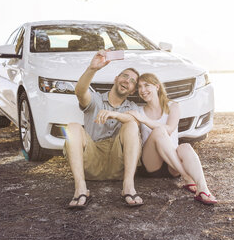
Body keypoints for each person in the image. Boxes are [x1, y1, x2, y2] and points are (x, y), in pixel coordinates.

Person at [64, 51, 143, 209]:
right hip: (92, 161)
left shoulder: (132, 107)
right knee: (71, 127)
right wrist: (92, 69)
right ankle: (80, 188)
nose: (127, 81)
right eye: (125, 76)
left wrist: (115, 114)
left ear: (133, 90)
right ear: (116, 79)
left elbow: (135, 122)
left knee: (132, 124)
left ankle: (128, 186)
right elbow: (80, 92)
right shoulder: (96, 99)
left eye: (132, 81)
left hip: (118, 163)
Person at [128, 73, 217, 205]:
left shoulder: (173, 106)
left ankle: (203, 189)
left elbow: (169, 128)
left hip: (172, 165)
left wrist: (144, 120)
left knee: (185, 146)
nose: (143, 90)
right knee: (158, 131)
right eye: (139, 87)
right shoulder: (139, 111)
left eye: (147, 85)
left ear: (157, 87)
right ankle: (187, 177)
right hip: (151, 164)